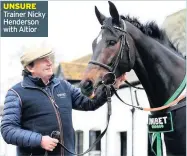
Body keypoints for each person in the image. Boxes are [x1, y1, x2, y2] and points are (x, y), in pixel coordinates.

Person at [0, 46, 126, 156]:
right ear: (30, 67)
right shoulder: (16, 93)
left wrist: (111, 87)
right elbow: (8, 130)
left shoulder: (63, 85)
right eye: (43, 60)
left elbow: (89, 103)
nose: (49, 63)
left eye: (49, 59)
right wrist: (39, 140)